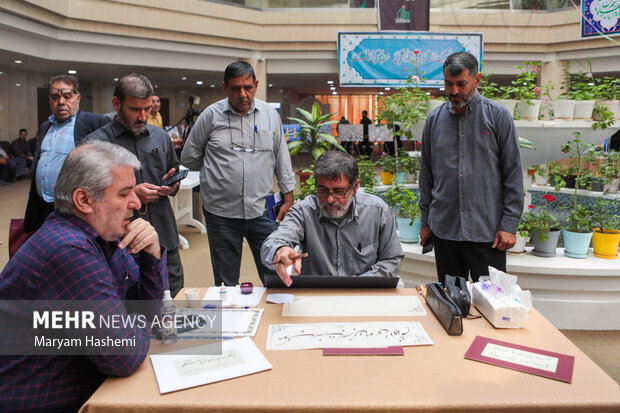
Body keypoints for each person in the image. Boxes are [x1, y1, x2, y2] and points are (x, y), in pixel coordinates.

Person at [0, 141, 168, 412]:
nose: (136, 203)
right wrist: (130, 325)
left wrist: (152, 254)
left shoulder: (101, 237)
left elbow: (149, 312)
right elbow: (123, 356)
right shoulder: (69, 250)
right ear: (83, 200)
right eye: (125, 194)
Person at [182, 60, 296, 286]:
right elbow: (189, 157)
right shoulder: (210, 116)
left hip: (262, 210)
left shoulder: (269, 115)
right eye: (235, 88)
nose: (242, 94)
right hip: (220, 213)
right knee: (226, 282)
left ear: (255, 84)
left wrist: (288, 195)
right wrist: (218, 172)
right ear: (225, 88)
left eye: (247, 87)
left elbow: (281, 155)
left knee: (275, 275)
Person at [418, 51, 524, 284]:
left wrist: (509, 225)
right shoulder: (434, 121)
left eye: (461, 84)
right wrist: (425, 222)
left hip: (487, 235)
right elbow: (426, 176)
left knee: (491, 304)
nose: (454, 91)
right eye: (448, 84)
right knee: (452, 304)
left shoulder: (498, 117)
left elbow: (513, 175)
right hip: (445, 233)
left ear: (477, 80)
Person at [86, 73, 184, 297]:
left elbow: (174, 169)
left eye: (148, 109)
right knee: (134, 305)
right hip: (120, 242)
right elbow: (88, 198)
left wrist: (172, 184)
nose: (143, 116)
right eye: (135, 109)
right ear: (116, 104)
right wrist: (133, 194)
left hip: (163, 234)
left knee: (173, 296)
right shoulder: (95, 145)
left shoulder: (160, 136)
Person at [261, 150, 404, 287]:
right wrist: (279, 250)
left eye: (339, 191)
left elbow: (392, 259)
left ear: (355, 187)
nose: (330, 199)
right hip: (317, 298)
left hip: (365, 296)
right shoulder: (303, 212)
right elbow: (273, 242)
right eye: (323, 190)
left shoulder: (377, 211)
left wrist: (362, 282)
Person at [24, 74, 111, 233]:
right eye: (55, 97)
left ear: (78, 98)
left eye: (67, 96)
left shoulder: (96, 123)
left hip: (76, 208)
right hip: (43, 206)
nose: (61, 102)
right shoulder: (45, 127)